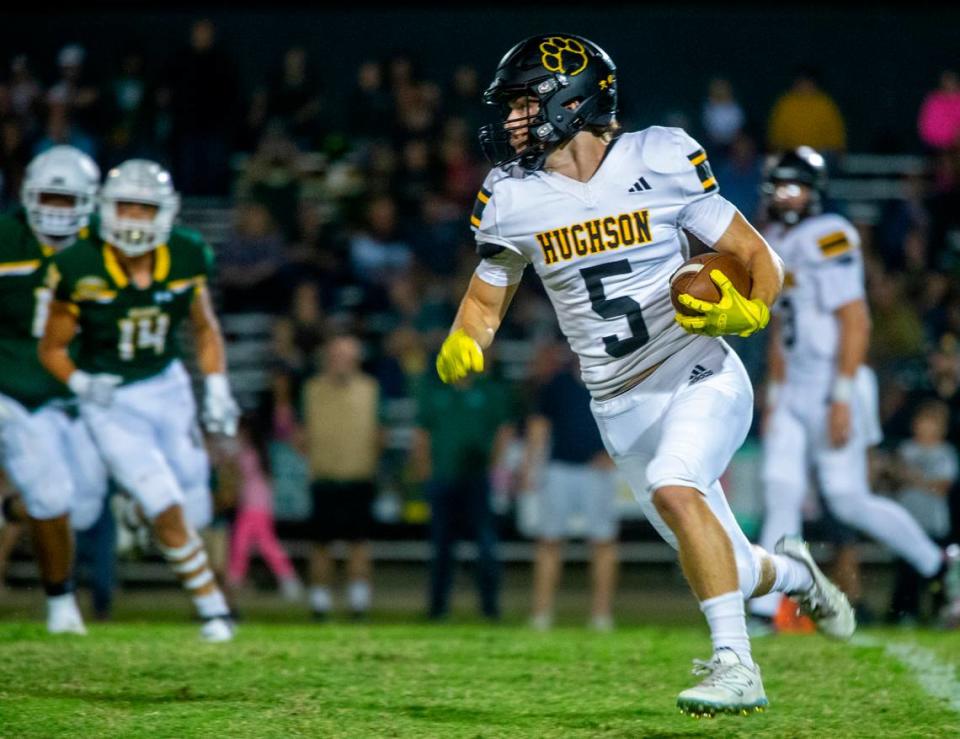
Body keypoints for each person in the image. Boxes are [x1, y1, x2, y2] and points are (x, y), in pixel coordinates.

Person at [436, 33, 857, 716]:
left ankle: (736, 663)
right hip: (619, 404)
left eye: (523, 102)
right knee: (724, 556)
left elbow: (757, 256)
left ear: (569, 100)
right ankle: (794, 572)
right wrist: (467, 340)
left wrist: (746, 312)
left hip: (697, 369)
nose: (512, 120)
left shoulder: (659, 155)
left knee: (674, 484)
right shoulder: (511, 195)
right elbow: (487, 297)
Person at [750, 146, 960, 630]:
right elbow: (782, 326)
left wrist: (842, 394)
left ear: (814, 190)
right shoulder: (773, 237)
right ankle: (765, 609)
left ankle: (939, 565)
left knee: (847, 500)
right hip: (795, 386)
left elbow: (855, 319)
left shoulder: (831, 235)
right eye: (779, 184)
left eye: (794, 184)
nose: (785, 194)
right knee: (779, 488)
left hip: (832, 382)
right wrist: (776, 392)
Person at [38, 158, 241, 642]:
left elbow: (204, 326)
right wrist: (82, 384)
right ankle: (214, 613)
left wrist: (216, 386)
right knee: (162, 500)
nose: (131, 218)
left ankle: (135, 511)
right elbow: (51, 348)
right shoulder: (79, 263)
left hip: (166, 385)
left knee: (196, 510)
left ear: (164, 213)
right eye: (123, 206)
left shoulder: (187, 254)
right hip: (110, 398)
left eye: (143, 208)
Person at [0, 145, 108, 634]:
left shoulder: (108, 250)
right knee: (50, 495)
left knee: (82, 506)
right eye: (49, 198)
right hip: (11, 388)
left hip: (69, 394)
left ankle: (9, 506)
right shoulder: (6, 239)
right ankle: (61, 605)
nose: (57, 210)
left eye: (68, 201)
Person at [517, 342, 619, 631]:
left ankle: (601, 615)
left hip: (595, 473)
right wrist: (530, 467)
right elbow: (539, 427)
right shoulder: (557, 384)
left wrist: (614, 455)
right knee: (549, 541)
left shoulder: (612, 379)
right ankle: (541, 613)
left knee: (603, 542)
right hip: (559, 469)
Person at [411, 369, 514, 622]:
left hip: (477, 479)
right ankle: (438, 608)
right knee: (442, 546)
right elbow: (422, 433)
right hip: (443, 477)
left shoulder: (488, 390)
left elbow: (503, 429)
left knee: (486, 545)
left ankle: (490, 608)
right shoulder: (436, 390)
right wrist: (425, 472)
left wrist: (493, 466)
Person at [301, 335, 381, 620]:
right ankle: (319, 604)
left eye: (347, 355)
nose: (342, 361)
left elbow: (379, 433)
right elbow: (302, 434)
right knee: (321, 544)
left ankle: (359, 604)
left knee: (359, 544)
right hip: (324, 478)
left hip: (359, 477)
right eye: (337, 355)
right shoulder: (313, 389)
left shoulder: (370, 390)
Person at [887, 399, 958, 624]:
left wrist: (915, 479)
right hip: (908, 520)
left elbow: (942, 486)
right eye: (923, 422)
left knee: (937, 570)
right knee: (907, 571)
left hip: (934, 522)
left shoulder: (946, 452)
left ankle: (941, 612)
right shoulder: (906, 449)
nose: (926, 427)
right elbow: (896, 478)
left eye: (932, 423)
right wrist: (919, 480)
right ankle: (906, 613)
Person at [224, 414, 302, 600]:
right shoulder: (252, 452)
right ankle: (237, 577)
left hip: (256, 505)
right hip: (253, 505)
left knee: (262, 545)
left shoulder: (250, 453)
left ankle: (286, 578)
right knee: (246, 543)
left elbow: (236, 470)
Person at [767, 67, 846, 156]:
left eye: (807, 82)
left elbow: (836, 134)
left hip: (820, 154)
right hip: (791, 155)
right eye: (801, 82)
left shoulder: (825, 104)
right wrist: (775, 150)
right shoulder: (785, 103)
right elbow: (776, 134)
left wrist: (838, 151)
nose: (804, 85)